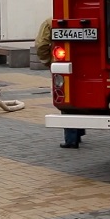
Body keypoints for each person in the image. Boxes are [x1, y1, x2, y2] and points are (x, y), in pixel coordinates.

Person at [35, 18, 86, 149]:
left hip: (63, 65)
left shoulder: (49, 22)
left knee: (67, 98)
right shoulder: (82, 19)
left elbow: (41, 44)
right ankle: (79, 132)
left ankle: (71, 139)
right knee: (81, 96)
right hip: (85, 65)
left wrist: (47, 61)